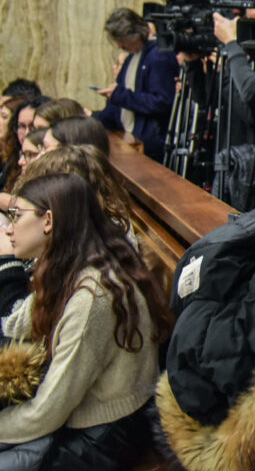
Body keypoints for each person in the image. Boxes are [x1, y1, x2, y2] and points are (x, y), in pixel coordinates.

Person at [0, 173, 170, 470]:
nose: (9, 228)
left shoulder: (92, 297)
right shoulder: (69, 266)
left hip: (102, 436)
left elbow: (46, 413)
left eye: (16, 216)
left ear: (48, 221)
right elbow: (15, 325)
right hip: (83, 419)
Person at [93, 8, 179, 161]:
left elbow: (162, 102)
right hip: (128, 138)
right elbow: (119, 104)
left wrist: (120, 95)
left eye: (121, 39)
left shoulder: (158, 56)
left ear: (134, 34)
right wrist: (93, 119)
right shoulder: (131, 58)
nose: (119, 46)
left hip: (149, 146)